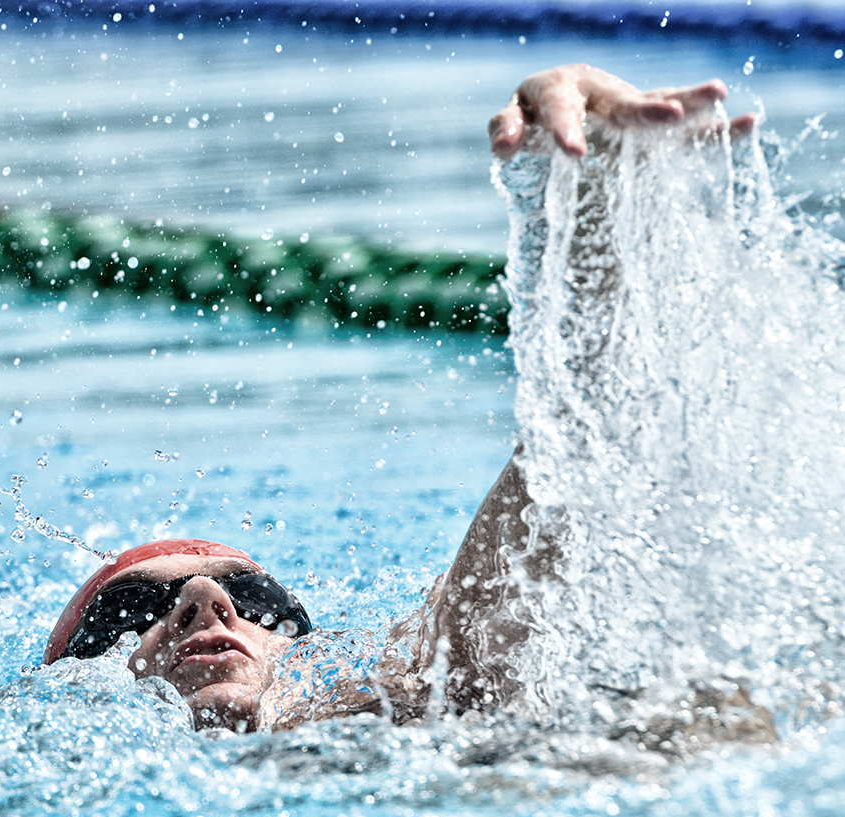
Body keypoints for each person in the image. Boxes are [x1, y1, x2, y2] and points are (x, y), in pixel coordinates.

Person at [41, 65, 759, 732]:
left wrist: (590, 187)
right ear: (66, 685)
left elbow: (579, 444)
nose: (207, 602)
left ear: (303, 653)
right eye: (133, 609)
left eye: (260, 604)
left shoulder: (405, 704)